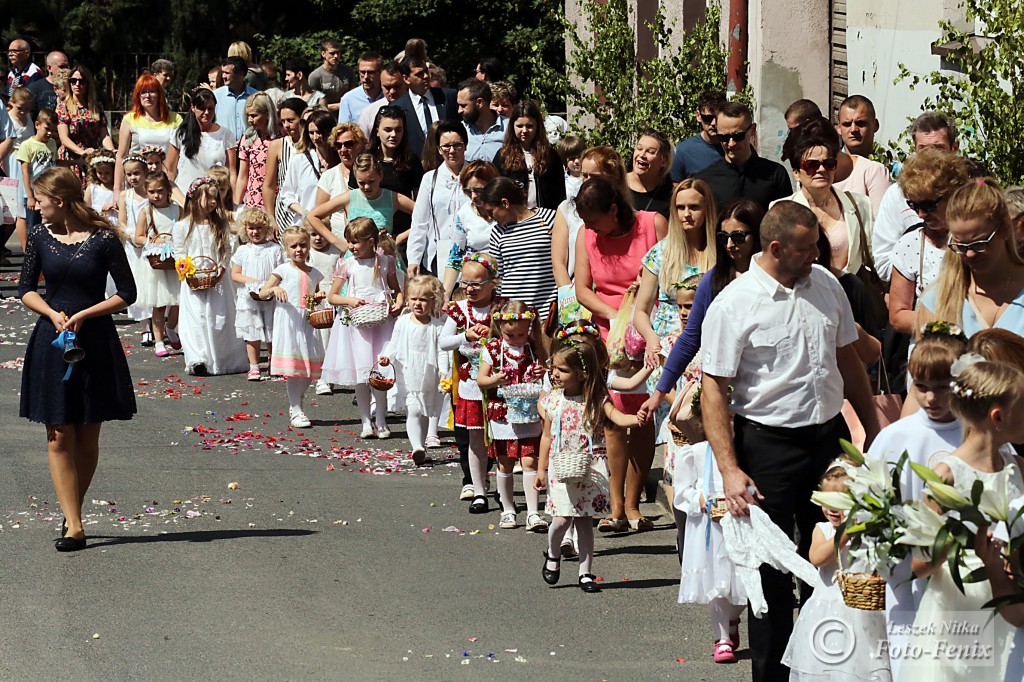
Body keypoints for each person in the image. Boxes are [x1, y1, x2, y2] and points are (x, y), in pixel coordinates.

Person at [696, 200, 880, 681]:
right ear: (775, 248)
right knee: (772, 575)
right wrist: (730, 468)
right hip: (766, 447)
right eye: (807, 249)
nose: (817, 255)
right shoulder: (733, 304)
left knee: (837, 560)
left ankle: (830, 671)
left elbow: (849, 362)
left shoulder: (828, 286)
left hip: (827, 441)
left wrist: (875, 434)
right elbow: (713, 389)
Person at [18, 167, 137, 552]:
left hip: (95, 339)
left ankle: (73, 513)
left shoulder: (103, 239)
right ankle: (75, 525)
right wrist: (52, 313)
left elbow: (127, 292)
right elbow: (25, 289)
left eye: (39, 199)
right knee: (58, 433)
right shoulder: (38, 236)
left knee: (87, 432)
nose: (35, 206)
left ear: (60, 200)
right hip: (52, 339)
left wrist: (86, 314)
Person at [903, 358, 1024, 680]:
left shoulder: (1016, 466)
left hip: (1011, 592)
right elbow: (916, 565)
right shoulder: (947, 478)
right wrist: (952, 545)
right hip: (962, 601)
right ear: (998, 417)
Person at [865, 322, 966, 678]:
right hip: (906, 571)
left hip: (966, 571)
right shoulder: (895, 437)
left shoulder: (977, 435)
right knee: (912, 663)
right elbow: (870, 499)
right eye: (921, 387)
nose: (931, 399)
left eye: (943, 388)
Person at [639, 200, 765, 420]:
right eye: (723, 238)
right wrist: (660, 392)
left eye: (737, 237)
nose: (729, 245)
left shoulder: (772, 279)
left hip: (764, 385)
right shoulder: (713, 281)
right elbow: (690, 338)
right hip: (724, 389)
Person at [538, 325, 638, 592]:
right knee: (561, 519)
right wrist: (540, 469)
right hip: (561, 467)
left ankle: (586, 572)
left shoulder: (596, 398)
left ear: (582, 374)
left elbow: (616, 418)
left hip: (589, 467)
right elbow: (547, 436)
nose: (555, 374)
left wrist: (636, 418)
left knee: (584, 521)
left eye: (562, 370)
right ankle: (553, 552)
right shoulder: (553, 400)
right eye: (554, 368)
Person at [780, 465, 892, 680]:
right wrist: (846, 533)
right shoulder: (822, 529)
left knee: (863, 669)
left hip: (863, 612)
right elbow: (817, 558)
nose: (833, 509)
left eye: (841, 503)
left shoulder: (868, 531)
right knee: (827, 668)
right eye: (827, 501)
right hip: (827, 615)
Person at [322, 219, 403, 436]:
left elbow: (397, 290)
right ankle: (366, 421)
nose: (351, 247)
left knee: (380, 372)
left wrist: (400, 301)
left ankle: (381, 419)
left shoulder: (386, 262)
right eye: (349, 242)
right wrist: (350, 301)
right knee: (361, 373)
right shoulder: (347, 264)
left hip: (381, 322)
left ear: (370, 241)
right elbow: (333, 296)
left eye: (355, 242)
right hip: (356, 325)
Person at [919, 178, 1024, 338]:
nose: (969, 254)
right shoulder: (937, 300)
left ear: (1005, 229)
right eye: (961, 246)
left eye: (979, 243)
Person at [476, 300, 548, 531]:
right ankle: (508, 509)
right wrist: (495, 380)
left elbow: (548, 375)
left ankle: (533, 512)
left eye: (520, 334)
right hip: (503, 414)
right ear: (500, 328)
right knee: (505, 462)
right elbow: (481, 380)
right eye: (510, 335)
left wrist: (542, 371)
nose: (516, 339)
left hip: (528, 413)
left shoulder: (535, 348)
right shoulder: (494, 348)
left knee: (529, 460)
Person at [440, 253, 505, 508]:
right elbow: (443, 342)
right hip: (471, 388)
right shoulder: (459, 310)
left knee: (502, 440)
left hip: (500, 385)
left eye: (476, 283)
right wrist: (465, 336)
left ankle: (503, 488)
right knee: (476, 439)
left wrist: (494, 334)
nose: (469, 288)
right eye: (465, 282)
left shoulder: (503, 308)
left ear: (492, 283)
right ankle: (479, 491)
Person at [633, 178, 717, 370]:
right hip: (665, 349)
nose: (686, 214)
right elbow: (641, 310)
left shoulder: (720, 253)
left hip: (708, 347)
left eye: (694, 207)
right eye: (680, 207)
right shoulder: (660, 253)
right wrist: (651, 338)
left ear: (707, 209)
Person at [676, 438, 747, 663]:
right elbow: (682, 491)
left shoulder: (747, 449)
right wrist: (701, 500)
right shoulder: (696, 452)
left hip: (742, 523)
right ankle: (722, 638)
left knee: (744, 584)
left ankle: (732, 619)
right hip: (710, 526)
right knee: (715, 583)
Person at [573, 176, 668, 338]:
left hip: (651, 328)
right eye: (585, 221)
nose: (588, 226)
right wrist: (615, 317)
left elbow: (672, 279)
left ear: (613, 210)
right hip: (608, 332)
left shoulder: (654, 224)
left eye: (593, 221)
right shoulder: (585, 234)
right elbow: (582, 290)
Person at [171, 176, 248, 376]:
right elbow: (179, 253)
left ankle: (223, 358)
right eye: (210, 198)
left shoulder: (219, 224)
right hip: (193, 279)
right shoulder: (182, 226)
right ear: (195, 198)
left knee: (217, 318)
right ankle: (198, 358)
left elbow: (227, 250)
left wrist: (222, 267)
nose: (214, 202)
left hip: (217, 280)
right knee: (196, 319)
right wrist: (185, 268)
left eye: (216, 198)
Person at [777, 117, 874, 274]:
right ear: (796, 173)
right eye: (811, 165)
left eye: (828, 164)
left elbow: (874, 255)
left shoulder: (859, 204)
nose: (821, 170)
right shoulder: (781, 211)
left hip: (848, 295)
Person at [888, 149, 968, 336]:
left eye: (928, 205)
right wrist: (950, 327)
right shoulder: (909, 244)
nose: (921, 214)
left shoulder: (976, 240)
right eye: (914, 206)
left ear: (953, 195)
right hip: (931, 352)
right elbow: (898, 316)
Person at [873, 111, 960, 282]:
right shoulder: (896, 195)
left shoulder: (969, 190)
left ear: (954, 148)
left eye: (938, 148)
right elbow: (883, 261)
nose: (930, 156)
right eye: (923, 149)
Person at [551, 146, 632, 325]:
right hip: (578, 300)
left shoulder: (626, 214)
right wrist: (571, 302)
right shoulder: (567, 208)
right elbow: (559, 263)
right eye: (584, 175)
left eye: (593, 176)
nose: (585, 181)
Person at [257, 226, 326, 428]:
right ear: (286, 249)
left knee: (310, 369)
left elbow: (313, 299)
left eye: (303, 245)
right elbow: (262, 292)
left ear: (309, 246)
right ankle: (296, 409)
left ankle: (298, 399)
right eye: (293, 246)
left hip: (307, 322)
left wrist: (318, 298)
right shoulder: (282, 270)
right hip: (288, 321)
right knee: (294, 368)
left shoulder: (315, 273)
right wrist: (275, 288)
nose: (299, 250)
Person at [378, 275, 447, 464]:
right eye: (414, 299)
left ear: (433, 302)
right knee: (414, 410)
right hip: (408, 372)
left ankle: (421, 445)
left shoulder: (437, 327)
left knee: (425, 412)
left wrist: (444, 372)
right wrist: (387, 357)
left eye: (423, 299)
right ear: (407, 299)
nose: (418, 303)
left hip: (428, 374)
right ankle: (416, 446)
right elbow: (394, 343)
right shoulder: (403, 322)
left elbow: (442, 352)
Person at [694, 101, 791, 212]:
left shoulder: (775, 175)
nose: (731, 143)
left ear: (752, 130)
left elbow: (786, 222)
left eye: (738, 136)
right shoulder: (705, 180)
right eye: (724, 137)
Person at [306, 152, 414, 251]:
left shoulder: (393, 198)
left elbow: (424, 214)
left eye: (371, 181)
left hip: (383, 259)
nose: (367, 187)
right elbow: (312, 216)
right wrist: (336, 241)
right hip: (354, 260)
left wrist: (401, 237)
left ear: (380, 176)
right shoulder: (349, 197)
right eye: (361, 183)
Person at [479, 177, 558, 311]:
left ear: (505, 203)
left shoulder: (549, 219)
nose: (490, 217)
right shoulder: (498, 232)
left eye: (491, 211)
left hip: (547, 310)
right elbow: (498, 277)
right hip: (513, 314)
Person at [407, 120, 470, 276]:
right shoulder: (430, 179)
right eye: (446, 146)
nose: (452, 151)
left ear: (466, 146)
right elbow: (420, 222)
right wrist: (414, 259)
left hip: (471, 253)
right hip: (438, 254)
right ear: (439, 150)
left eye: (457, 145)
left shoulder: (476, 175)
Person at [231, 208, 285, 380]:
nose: (255, 232)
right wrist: (253, 282)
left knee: (272, 330)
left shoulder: (275, 249)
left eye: (259, 228)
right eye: (251, 228)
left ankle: (273, 362)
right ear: (245, 229)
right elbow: (235, 274)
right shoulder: (242, 250)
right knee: (251, 333)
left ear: (267, 228)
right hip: (249, 297)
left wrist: (269, 286)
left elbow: (281, 271)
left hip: (271, 295)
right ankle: (254, 366)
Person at [135, 171, 182, 358]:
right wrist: (152, 241)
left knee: (178, 301)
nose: (156, 196)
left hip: (174, 261)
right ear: (146, 192)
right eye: (152, 192)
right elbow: (138, 237)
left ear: (168, 190)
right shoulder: (146, 212)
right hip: (156, 264)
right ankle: (159, 340)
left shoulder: (177, 210)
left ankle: (170, 328)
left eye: (160, 191)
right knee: (159, 304)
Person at [363, 105, 423, 247]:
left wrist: (402, 237)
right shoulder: (365, 159)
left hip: (401, 237)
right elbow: (353, 201)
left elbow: (421, 207)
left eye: (398, 130)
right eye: (388, 130)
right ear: (377, 131)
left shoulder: (411, 161)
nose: (393, 135)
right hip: (368, 238)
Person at [114, 73, 184, 191]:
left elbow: (182, 155)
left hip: (167, 182)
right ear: (138, 95)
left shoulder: (176, 119)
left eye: (152, 91)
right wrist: (117, 190)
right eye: (143, 92)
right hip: (138, 184)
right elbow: (121, 156)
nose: (147, 96)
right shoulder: (129, 119)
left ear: (159, 95)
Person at [492, 100, 565, 211]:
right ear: (512, 126)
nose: (524, 130)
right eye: (520, 126)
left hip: (545, 217)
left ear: (537, 126)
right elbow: (496, 190)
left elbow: (560, 193)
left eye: (529, 126)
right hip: (515, 218)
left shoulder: (550, 155)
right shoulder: (503, 156)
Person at [443, 160, 500, 298]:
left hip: (506, 284)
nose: (474, 196)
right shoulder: (464, 213)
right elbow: (455, 257)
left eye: (479, 190)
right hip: (476, 288)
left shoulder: (507, 211)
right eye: (468, 191)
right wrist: (445, 295)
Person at [167, 88, 237, 195]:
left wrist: (232, 200)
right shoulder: (180, 134)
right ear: (193, 108)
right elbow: (170, 171)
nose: (206, 113)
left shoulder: (226, 135)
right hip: (184, 197)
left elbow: (231, 172)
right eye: (202, 108)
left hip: (214, 198)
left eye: (211, 108)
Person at [56, 65, 115, 186]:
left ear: (88, 84)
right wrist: (82, 152)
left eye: (81, 81)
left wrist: (111, 151)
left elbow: (104, 135)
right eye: (73, 81)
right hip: (72, 157)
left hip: (93, 156)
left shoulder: (96, 106)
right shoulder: (63, 107)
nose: (77, 84)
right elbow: (64, 138)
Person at [832, 95, 891, 215]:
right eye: (847, 124)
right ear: (839, 128)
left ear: (875, 125)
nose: (853, 129)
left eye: (860, 123)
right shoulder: (829, 168)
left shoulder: (893, 169)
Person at [278, 109, 338, 227]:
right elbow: (286, 195)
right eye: (311, 133)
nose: (315, 137)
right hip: (306, 225)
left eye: (320, 132)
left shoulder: (340, 160)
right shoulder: (299, 160)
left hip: (335, 224)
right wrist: (304, 213)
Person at [392, 57, 459, 157]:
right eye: (419, 74)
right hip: (416, 167)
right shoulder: (398, 107)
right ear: (406, 79)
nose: (426, 76)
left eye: (426, 71)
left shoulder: (448, 97)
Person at [116, 155, 152, 335]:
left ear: (145, 172)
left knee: (152, 282)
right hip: (132, 243)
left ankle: (158, 322)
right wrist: (129, 235)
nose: (133, 178)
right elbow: (122, 222)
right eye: (129, 175)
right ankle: (145, 326)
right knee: (137, 282)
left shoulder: (152, 193)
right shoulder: (125, 195)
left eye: (137, 173)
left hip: (149, 241)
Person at [314, 122, 367, 236]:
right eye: (338, 145)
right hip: (338, 242)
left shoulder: (371, 174)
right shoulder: (329, 176)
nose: (343, 150)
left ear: (359, 144)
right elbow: (321, 216)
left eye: (348, 144)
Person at [263, 97, 307, 231]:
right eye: (283, 121)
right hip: (284, 213)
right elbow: (269, 186)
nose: (286, 125)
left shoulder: (314, 145)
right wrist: (271, 218)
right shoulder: (277, 145)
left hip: (309, 208)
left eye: (291, 120)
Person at [233, 92, 278, 210]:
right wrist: (236, 206)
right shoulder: (247, 138)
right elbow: (242, 175)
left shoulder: (281, 137)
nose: (249, 120)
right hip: (254, 201)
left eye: (254, 115)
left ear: (268, 114)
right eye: (247, 115)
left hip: (278, 200)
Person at [670, 91, 727, 183]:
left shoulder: (735, 147)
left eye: (717, 118)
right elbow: (675, 189)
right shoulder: (683, 151)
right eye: (708, 118)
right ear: (698, 116)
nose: (713, 123)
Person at [18, 109, 59, 234]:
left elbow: (54, 163)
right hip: (33, 192)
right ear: (37, 125)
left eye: (53, 130)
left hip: (49, 191)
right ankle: (32, 252)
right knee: (34, 226)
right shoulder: (27, 145)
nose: (49, 133)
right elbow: (25, 172)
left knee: (50, 224)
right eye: (47, 129)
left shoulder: (52, 143)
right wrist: (30, 196)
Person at [627, 128, 674, 218]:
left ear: (664, 161)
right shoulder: (616, 183)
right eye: (639, 148)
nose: (642, 155)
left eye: (651, 152)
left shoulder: (670, 195)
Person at [457, 79, 506, 162]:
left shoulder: (509, 128)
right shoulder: (459, 130)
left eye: (463, 106)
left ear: (479, 103)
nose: (459, 110)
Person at [358, 61, 408, 139]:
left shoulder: (417, 108)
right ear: (381, 85)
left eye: (396, 86)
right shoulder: (370, 112)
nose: (392, 91)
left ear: (405, 82)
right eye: (387, 87)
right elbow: (363, 143)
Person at [214, 57, 257, 143]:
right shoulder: (216, 96)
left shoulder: (255, 96)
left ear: (240, 74)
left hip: (248, 149)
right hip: (223, 149)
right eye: (223, 73)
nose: (223, 76)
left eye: (227, 73)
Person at [309, 38, 356, 115]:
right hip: (325, 117)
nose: (336, 56)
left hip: (346, 115)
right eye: (332, 53)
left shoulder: (348, 72)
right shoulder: (315, 76)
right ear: (323, 54)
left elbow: (354, 96)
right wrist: (340, 105)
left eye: (338, 53)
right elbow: (313, 105)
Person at [338, 52, 384, 125]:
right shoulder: (348, 99)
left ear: (381, 72)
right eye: (362, 72)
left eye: (371, 72)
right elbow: (343, 131)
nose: (366, 77)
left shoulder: (389, 96)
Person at [27, 51, 69, 117]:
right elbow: (28, 116)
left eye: (67, 66)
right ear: (49, 68)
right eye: (62, 66)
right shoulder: (34, 88)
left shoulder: (73, 86)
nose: (65, 70)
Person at [83, 151, 117, 226]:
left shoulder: (118, 188)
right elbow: (86, 208)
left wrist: (113, 205)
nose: (103, 176)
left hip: (115, 222)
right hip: (98, 223)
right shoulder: (93, 188)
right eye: (100, 173)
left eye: (107, 173)